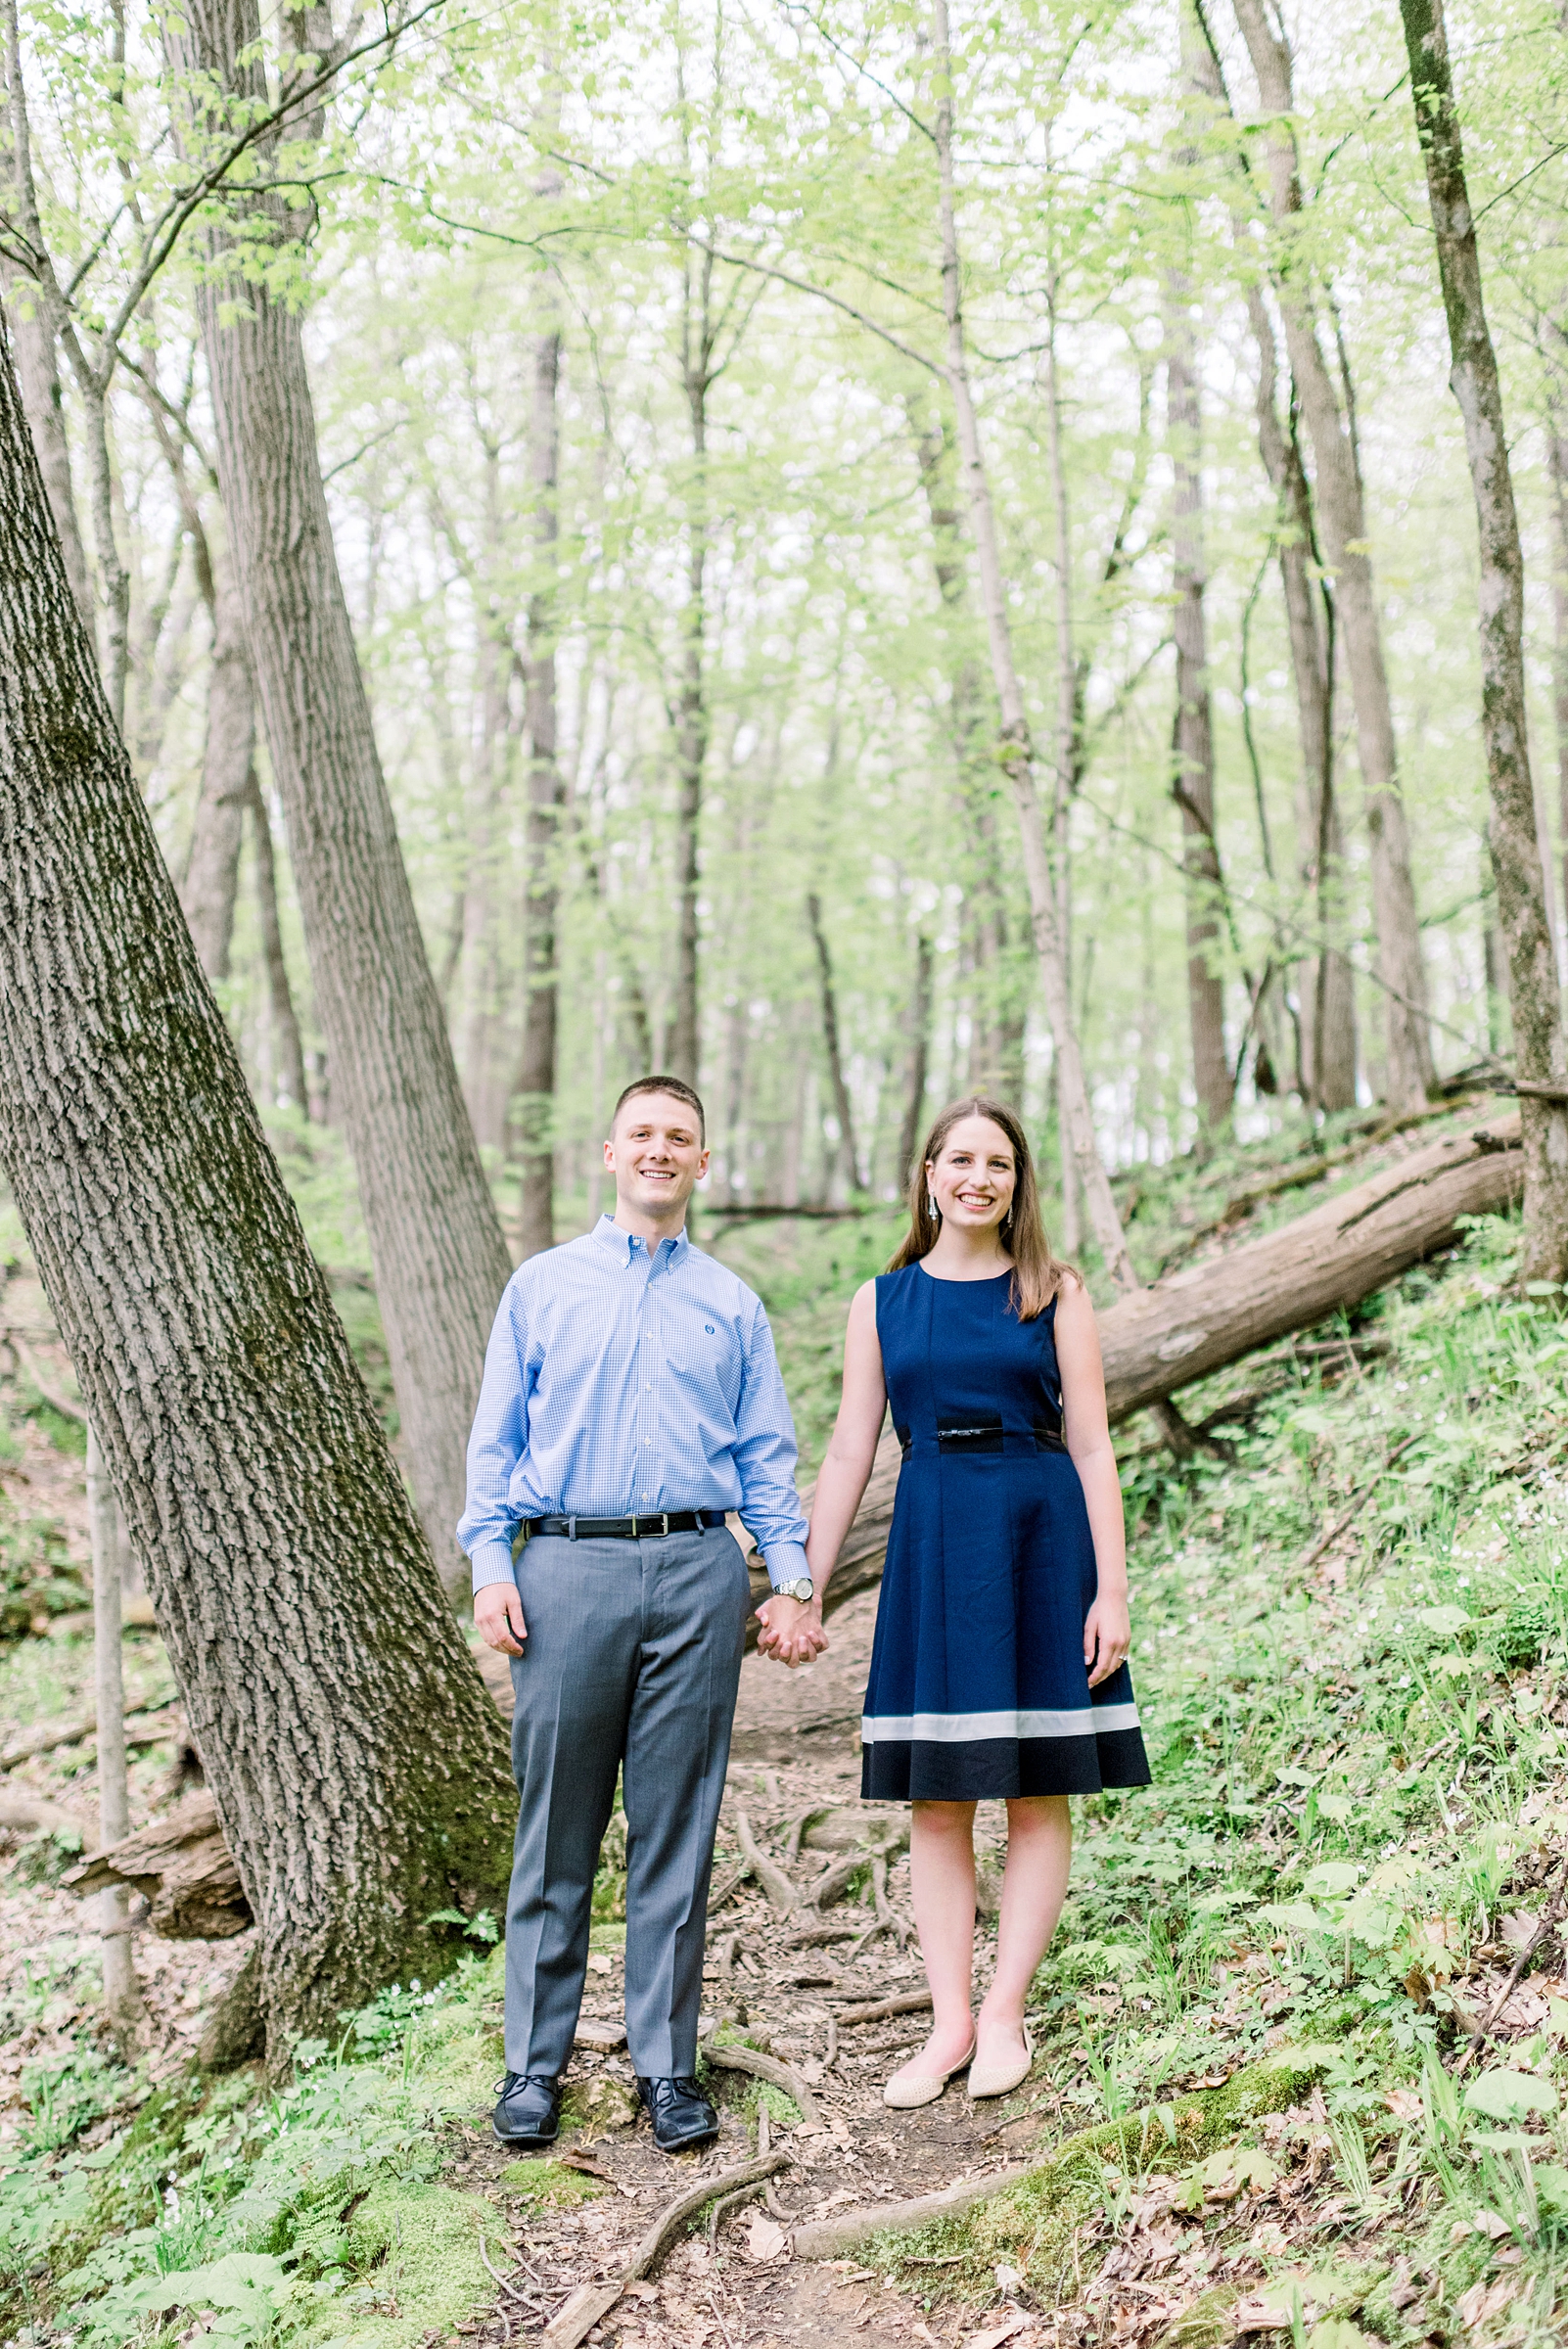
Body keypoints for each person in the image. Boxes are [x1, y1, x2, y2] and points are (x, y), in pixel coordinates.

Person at [761, 1096, 1150, 2106]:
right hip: (933, 1539)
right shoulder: (883, 1301)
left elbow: (1095, 1443)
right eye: (963, 1159)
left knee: (1034, 1787)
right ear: (929, 1173)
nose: (981, 1177)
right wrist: (800, 1582)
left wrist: (1112, 1585)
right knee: (936, 1800)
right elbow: (851, 1449)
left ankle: (1008, 2013)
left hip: (1037, 1534)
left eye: (1001, 1164)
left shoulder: (1053, 1292)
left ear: (1019, 1184)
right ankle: (949, 2024)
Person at [459, 1077, 816, 2155]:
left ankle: (668, 2066)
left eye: (683, 1139)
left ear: (704, 1165)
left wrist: (790, 1576)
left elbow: (765, 1457)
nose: (662, 1151)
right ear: (610, 1153)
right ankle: (534, 2065)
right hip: (566, 1567)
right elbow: (496, 1444)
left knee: (677, 1825)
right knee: (557, 1821)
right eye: (645, 1135)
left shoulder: (733, 1304)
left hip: (701, 1572)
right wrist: (490, 1563)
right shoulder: (543, 1287)